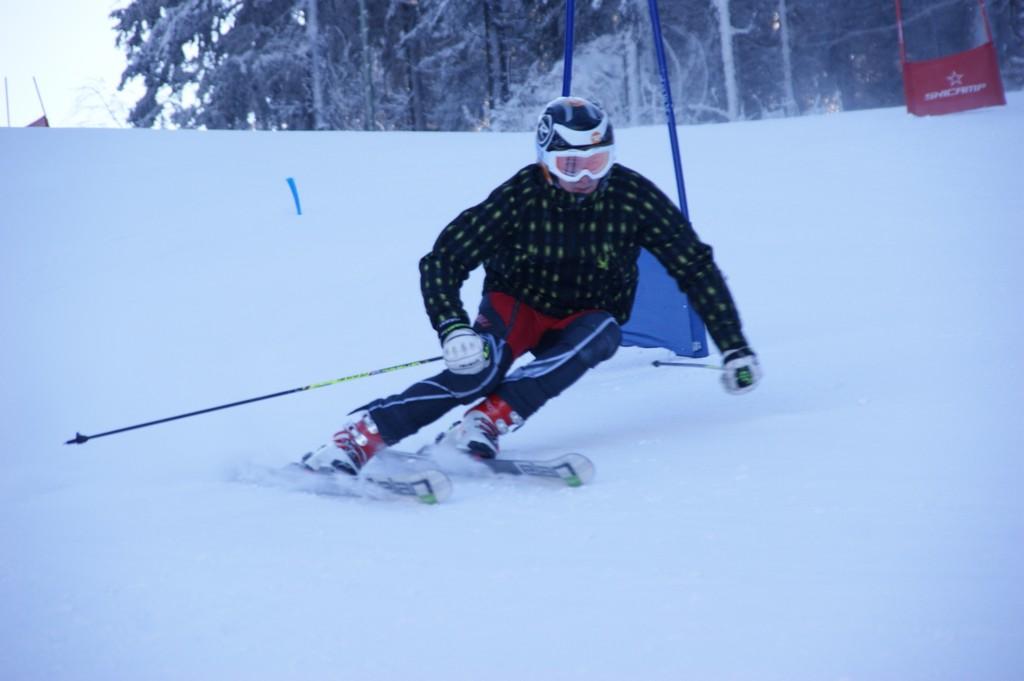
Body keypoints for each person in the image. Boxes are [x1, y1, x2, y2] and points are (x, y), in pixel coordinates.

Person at [302, 96, 761, 476]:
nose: (584, 179)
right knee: (479, 370)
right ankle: (359, 437)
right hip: (518, 304)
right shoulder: (521, 196)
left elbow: (694, 265)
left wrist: (734, 346)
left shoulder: (631, 196)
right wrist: (453, 328)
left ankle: (484, 424)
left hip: (584, 318)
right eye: (569, 164)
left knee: (605, 333)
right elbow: (443, 259)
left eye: (597, 162)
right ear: (545, 162)